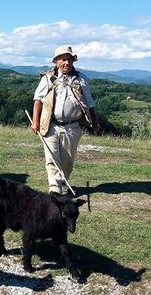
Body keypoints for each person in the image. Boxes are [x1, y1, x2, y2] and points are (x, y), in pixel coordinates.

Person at [31, 45, 100, 195]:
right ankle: (54, 191)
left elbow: (90, 102)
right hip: (50, 125)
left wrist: (94, 122)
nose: (66, 63)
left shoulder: (81, 79)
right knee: (52, 160)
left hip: (72, 127)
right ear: (56, 61)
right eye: (63, 60)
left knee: (67, 162)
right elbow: (38, 100)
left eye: (69, 60)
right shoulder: (48, 78)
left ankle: (62, 184)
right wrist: (35, 121)